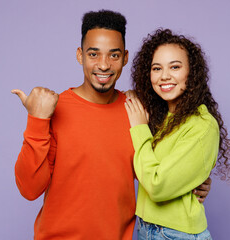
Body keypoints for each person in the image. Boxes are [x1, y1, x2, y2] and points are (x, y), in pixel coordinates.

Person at [12, 10, 211, 240]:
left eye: (113, 55)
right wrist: (37, 120)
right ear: (80, 55)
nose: (104, 65)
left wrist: (197, 178)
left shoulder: (137, 111)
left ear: (125, 57)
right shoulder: (54, 109)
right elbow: (29, 189)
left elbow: (158, 169)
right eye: (94, 54)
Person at [124, 29, 230, 240]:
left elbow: (157, 186)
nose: (165, 75)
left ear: (191, 72)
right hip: (147, 229)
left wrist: (139, 129)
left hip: (176, 234)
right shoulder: (161, 116)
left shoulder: (202, 124)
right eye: (157, 68)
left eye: (175, 67)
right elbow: (147, 167)